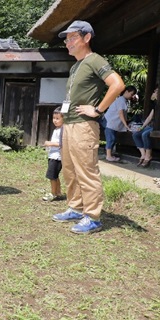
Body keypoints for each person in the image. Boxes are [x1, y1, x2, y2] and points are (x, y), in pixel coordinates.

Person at [52, 20, 125, 234]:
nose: (68, 42)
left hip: (85, 126)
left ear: (87, 38)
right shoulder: (76, 65)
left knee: (86, 171)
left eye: (72, 37)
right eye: (67, 39)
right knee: (70, 170)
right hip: (70, 124)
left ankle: (93, 217)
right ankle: (76, 207)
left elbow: (117, 84)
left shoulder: (94, 59)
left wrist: (98, 109)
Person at [103, 85, 137, 162]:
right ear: (126, 91)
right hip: (110, 123)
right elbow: (121, 113)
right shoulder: (121, 101)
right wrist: (126, 125)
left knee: (112, 139)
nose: (131, 96)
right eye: (131, 94)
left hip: (112, 123)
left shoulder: (122, 100)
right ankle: (108, 156)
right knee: (110, 139)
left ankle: (109, 154)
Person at [42, 107, 64, 201]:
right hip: (53, 155)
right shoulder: (57, 129)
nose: (55, 120)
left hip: (57, 157)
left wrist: (49, 143)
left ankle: (53, 193)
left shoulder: (63, 130)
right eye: (54, 118)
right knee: (55, 175)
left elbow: (62, 143)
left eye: (57, 118)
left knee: (52, 176)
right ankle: (58, 192)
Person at [132, 87, 157, 167]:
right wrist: (142, 127)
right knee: (135, 134)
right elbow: (150, 117)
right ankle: (143, 154)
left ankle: (148, 155)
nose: (153, 93)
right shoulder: (155, 105)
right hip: (152, 126)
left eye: (156, 91)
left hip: (157, 127)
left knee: (145, 134)